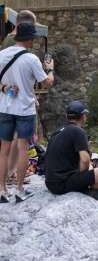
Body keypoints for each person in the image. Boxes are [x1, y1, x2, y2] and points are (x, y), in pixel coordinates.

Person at [0, 23, 54, 203]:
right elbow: (46, 83)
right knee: (23, 148)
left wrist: (5, 87)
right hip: (25, 109)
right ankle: (19, 188)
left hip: (5, 108)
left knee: (4, 149)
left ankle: (1, 189)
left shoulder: (1, 55)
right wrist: (50, 69)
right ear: (29, 38)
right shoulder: (31, 59)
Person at [45, 102, 98, 198]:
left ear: (67, 116)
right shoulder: (78, 131)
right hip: (62, 184)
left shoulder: (57, 132)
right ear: (83, 117)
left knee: (90, 167)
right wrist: (83, 175)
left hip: (50, 183)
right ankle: (93, 198)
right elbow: (85, 160)